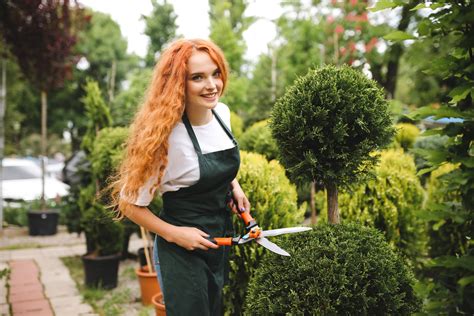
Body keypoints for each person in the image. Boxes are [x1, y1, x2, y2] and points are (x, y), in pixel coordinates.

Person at [111, 38, 251, 316]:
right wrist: (175, 234)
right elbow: (129, 204)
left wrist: (233, 185)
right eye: (197, 77)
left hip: (218, 239)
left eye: (215, 73)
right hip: (181, 251)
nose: (211, 85)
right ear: (178, 84)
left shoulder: (221, 113)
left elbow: (215, 162)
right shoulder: (164, 137)